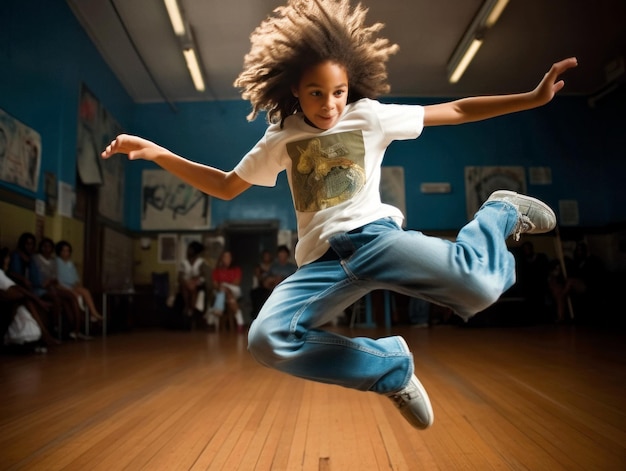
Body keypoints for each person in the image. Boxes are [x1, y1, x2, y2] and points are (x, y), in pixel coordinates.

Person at [102, 0, 577, 431]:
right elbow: (226, 186)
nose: (328, 105)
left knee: (481, 287)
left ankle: (498, 212)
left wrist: (530, 99)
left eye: (338, 92)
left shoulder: (369, 116)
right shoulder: (281, 138)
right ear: (295, 89)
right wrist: (156, 151)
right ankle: (390, 369)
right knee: (268, 339)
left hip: (378, 240)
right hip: (323, 263)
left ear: (350, 87)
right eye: (315, 93)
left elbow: (453, 109)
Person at [33, 237, 89, 340]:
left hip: (53, 288)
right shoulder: (35, 259)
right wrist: (47, 282)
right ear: (40, 248)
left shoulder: (53, 261)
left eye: (49, 247)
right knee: (58, 300)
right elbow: (37, 279)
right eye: (44, 246)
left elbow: (54, 278)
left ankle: (77, 329)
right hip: (41, 290)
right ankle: (55, 328)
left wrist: (50, 282)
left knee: (72, 297)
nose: (47, 249)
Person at [54, 240, 103, 324]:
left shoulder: (70, 264)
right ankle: (79, 319)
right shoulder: (56, 262)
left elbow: (76, 279)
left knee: (85, 291)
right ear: (59, 252)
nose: (66, 253)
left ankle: (93, 313)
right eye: (64, 251)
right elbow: (57, 279)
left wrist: (78, 286)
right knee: (76, 296)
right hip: (61, 287)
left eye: (68, 251)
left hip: (72, 287)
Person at [206, 250, 245, 332]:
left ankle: (216, 311)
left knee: (225, 290)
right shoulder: (216, 271)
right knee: (226, 294)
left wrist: (224, 285)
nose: (227, 259)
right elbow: (215, 285)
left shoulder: (236, 269)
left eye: (229, 257)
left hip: (234, 289)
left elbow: (237, 282)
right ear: (221, 259)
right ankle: (240, 322)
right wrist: (222, 287)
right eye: (225, 257)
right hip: (220, 291)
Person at [178, 240, 211, 318]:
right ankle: (187, 306)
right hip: (186, 281)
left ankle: (192, 309)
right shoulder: (184, 262)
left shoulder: (201, 262)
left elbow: (203, 274)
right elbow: (180, 276)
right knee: (184, 286)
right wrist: (185, 281)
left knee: (193, 288)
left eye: (190, 249)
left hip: (198, 282)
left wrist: (194, 279)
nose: (188, 251)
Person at [250, 249, 274, 320]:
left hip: (271, 288)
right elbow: (259, 279)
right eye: (265, 256)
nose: (266, 257)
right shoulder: (258, 267)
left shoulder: (274, 266)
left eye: (268, 256)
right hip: (259, 288)